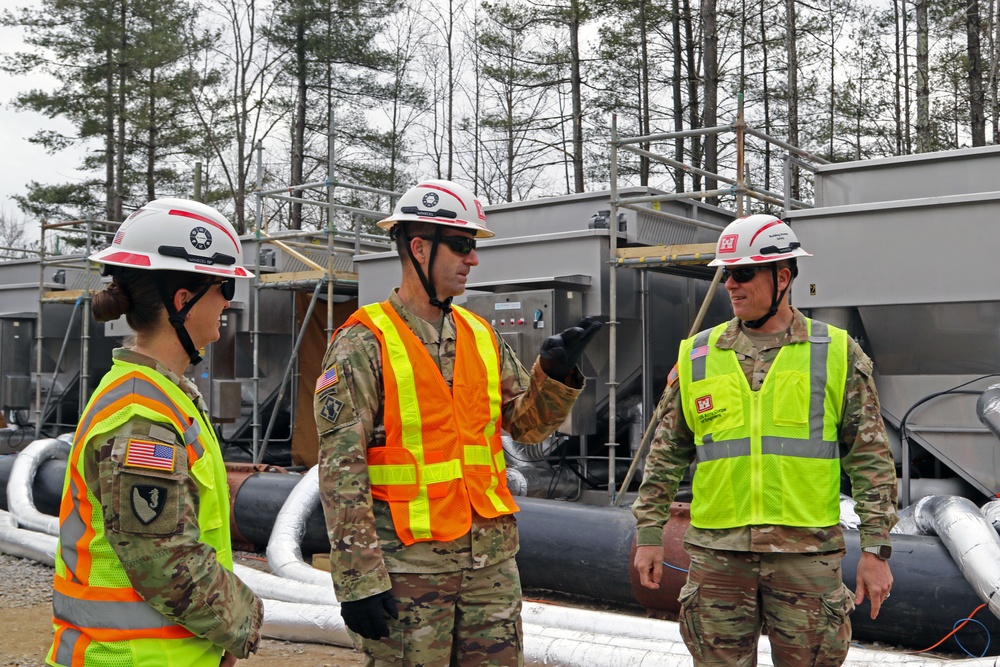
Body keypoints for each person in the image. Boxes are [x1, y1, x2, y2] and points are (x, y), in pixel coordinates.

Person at [315, 179, 601, 666]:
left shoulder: (480, 334)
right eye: (463, 246)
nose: (473, 260)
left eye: (473, 248)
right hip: (410, 569)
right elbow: (341, 470)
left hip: (490, 567)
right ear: (419, 248)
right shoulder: (363, 342)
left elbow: (526, 428)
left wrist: (554, 377)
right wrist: (358, 579)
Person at [632, 213, 898, 666]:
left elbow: (871, 458)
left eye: (742, 273)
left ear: (783, 276)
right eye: (725, 274)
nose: (731, 285)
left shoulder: (835, 351)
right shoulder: (698, 353)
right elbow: (666, 454)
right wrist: (649, 533)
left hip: (805, 557)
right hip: (718, 558)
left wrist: (876, 550)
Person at [47, 198, 263, 667]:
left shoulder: (162, 395)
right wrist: (244, 622)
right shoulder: (139, 415)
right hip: (129, 658)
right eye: (224, 286)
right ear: (182, 302)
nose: (230, 300)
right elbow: (165, 562)